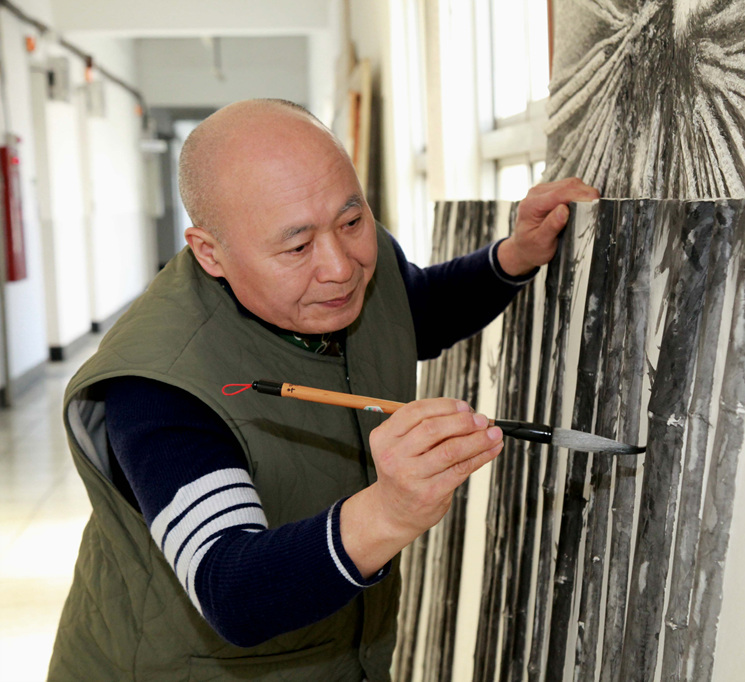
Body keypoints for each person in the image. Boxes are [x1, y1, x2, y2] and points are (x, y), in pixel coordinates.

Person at [48, 99, 599, 681]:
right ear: (210, 252)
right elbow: (232, 588)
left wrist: (516, 255)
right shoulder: (159, 380)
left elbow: (414, 313)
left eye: (352, 220)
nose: (340, 265)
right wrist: (389, 511)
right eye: (297, 246)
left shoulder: (355, 264)